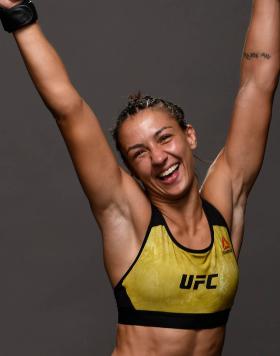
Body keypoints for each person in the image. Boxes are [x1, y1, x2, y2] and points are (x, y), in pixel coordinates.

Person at [0, 0, 279, 355]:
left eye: (164, 138)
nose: (159, 158)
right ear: (132, 171)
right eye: (140, 153)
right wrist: (19, 14)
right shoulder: (129, 218)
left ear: (188, 135)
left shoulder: (226, 204)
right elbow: (69, 110)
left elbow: (258, 83)